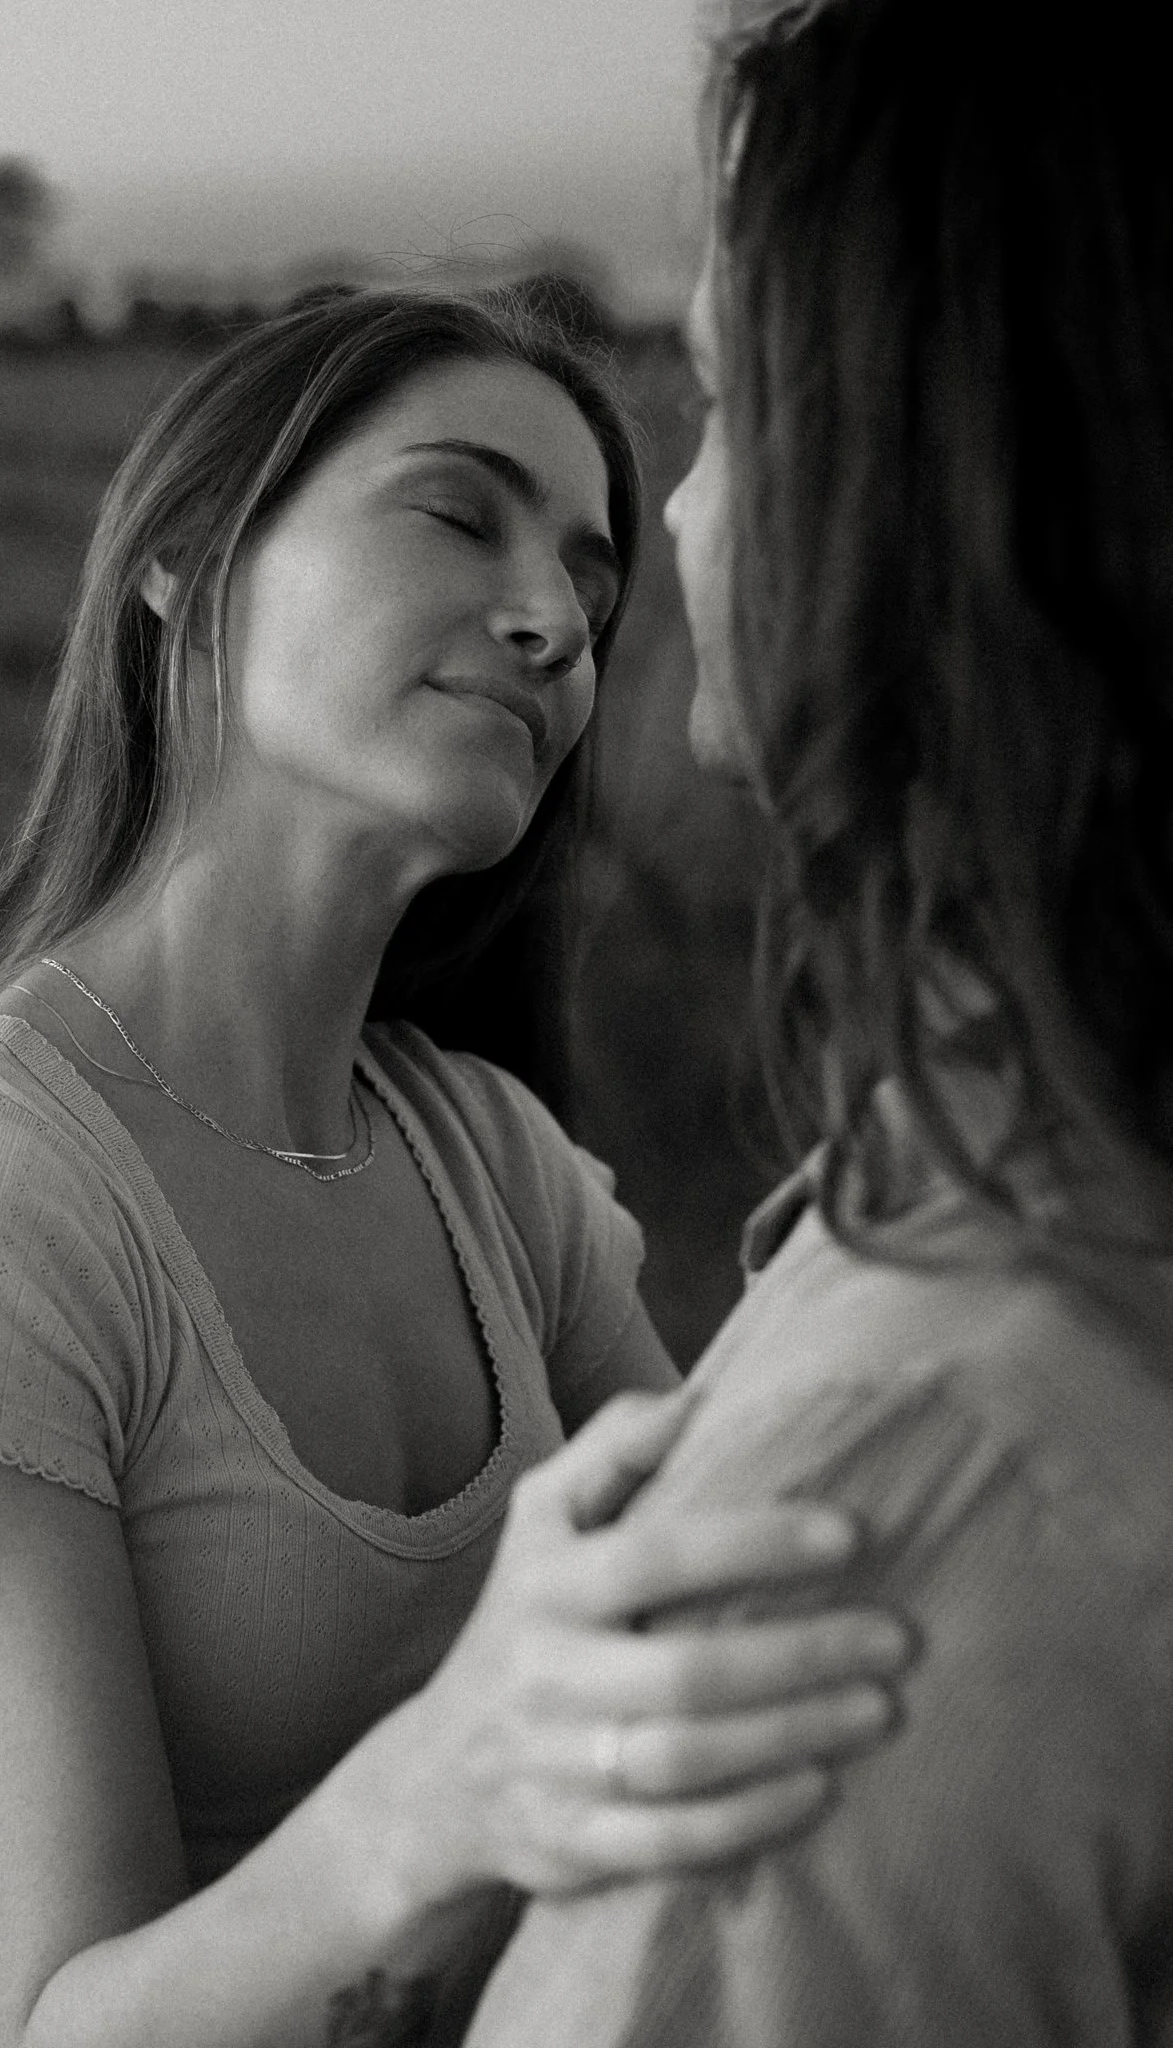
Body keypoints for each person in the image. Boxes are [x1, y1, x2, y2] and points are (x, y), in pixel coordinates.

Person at [0, 287, 910, 2048]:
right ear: (187, 559)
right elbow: (67, 2021)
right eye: (455, 513)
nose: (553, 621)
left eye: (597, 588)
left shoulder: (495, 1164)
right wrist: (451, 1783)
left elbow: (763, 1683)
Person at [455, 0, 1173, 2039]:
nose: (656, 536)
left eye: (712, 404)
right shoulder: (995, 1186)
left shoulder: (878, 1529)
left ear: (935, 466)